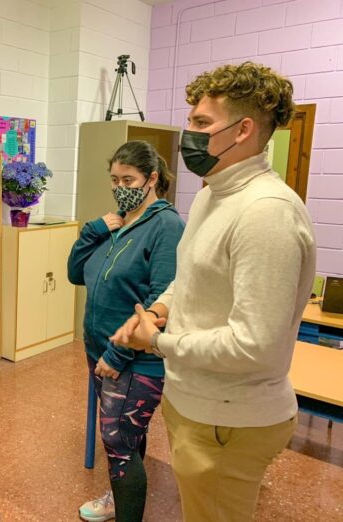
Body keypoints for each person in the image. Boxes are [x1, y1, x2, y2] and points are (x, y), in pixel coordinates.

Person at [111, 62, 316, 522]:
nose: (189, 134)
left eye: (202, 123)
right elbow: (190, 276)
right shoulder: (211, 194)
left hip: (231, 419)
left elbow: (254, 346)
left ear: (243, 130)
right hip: (198, 404)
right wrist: (163, 307)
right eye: (191, 122)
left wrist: (159, 343)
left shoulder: (266, 212)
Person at [67, 141, 184, 522]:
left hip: (134, 357)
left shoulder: (166, 226)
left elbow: (161, 303)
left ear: (152, 179)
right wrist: (93, 230)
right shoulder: (115, 222)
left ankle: (126, 509)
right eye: (115, 179)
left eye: (128, 179)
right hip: (100, 350)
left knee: (116, 442)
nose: (120, 187)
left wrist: (116, 355)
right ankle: (119, 498)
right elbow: (74, 273)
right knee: (128, 436)